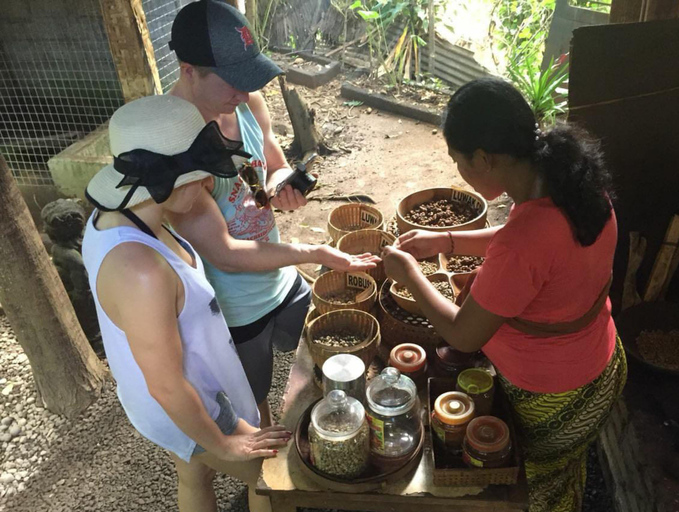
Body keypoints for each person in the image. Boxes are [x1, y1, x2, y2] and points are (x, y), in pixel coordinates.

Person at [382, 77, 627, 512]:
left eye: (458, 160)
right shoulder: (568, 181)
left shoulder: (523, 244)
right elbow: (528, 236)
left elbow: (463, 335)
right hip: (600, 364)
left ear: (483, 158)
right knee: (566, 471)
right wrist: (449, 241)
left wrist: (409, 272)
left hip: (555, 396)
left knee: (538, 493)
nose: (459, 170)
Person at [165, 0, 379, 427]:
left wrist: (281, 183)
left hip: (280, 275)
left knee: (332, 346)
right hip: (234, 308)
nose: (243, 94)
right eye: (232, 83)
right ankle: (264, 482)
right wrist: (314, 252)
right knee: (254, 405)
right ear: (189, 70)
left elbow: (271, 159)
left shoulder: (245, 103)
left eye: (248, 80)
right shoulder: (175, 146)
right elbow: (224, 253)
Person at [82, 95, 291, 512]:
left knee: (192, 474)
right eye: (199, 175)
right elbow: (166, 384)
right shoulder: (141, 269)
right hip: (189, 399)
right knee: (272, 478)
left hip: (183, 385)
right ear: (166, 180)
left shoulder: (116, 217)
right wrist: (226, 443)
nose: (208, 184)